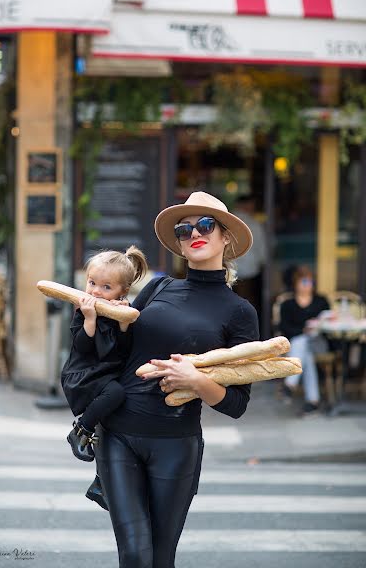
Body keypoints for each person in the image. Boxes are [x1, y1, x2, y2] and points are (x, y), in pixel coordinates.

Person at [89, 191, 259, 567]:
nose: (193, 233)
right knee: (134, 554)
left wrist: (195, 380)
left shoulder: (240, 312)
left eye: (205, 225)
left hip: (176, 443)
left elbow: (237, 405)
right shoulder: (158, 287)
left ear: (225, 237)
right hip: (118, 434)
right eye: (184, 229)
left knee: (161, 557)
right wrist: (101, 318)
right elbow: (116, 354)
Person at [61, 245, 147, 464]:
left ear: (123, 291)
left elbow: (125, 350)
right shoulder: (83, 312)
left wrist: (124, 324)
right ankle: (81, 430)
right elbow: (82, 347)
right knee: (116, 393)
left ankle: (107, 472)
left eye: (106, 287)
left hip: (108, 372)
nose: (96, 291)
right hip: (84, 373)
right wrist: (90, 319)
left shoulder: (122, 312)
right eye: (92, 283)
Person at [279, 265, 330, 415]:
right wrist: (303, 331)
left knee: (301, 343)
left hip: (319, 343)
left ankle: (290, 384)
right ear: (296, 284)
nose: (308, 285)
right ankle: (312, 401)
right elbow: (284, 328)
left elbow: (327, 326)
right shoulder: (287, 304)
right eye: (304, 282)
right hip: (299, 347)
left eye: (310, 282)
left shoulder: (321, 301)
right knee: (304, 351)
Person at [232, 194, 266, 319]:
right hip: (250, 273)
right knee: (248, 304)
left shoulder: (226, 223)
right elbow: (262, 252)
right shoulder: (254, 224)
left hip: (227, 271)